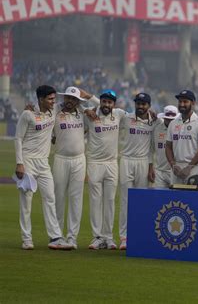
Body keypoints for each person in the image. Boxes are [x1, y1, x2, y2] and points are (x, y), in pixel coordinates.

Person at [14, 85, 72, 250]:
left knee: (50, 198)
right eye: (50, 99)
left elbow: (73, 104)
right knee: (27, 200)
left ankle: (55, 237)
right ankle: (27, 239)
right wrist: (19, 163)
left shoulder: (53, 111)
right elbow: (18, 138)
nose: (54, 101)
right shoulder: (28, 114)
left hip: (43, 162)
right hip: (28, 161)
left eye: (54, 98)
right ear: (40, 99)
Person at [52, 86, 99, 249]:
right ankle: (56, 236)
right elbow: (40, 110)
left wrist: (90, 97)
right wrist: (31, 108)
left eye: (74, 99)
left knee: (76, 200)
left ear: (78, 101)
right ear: (64, 98)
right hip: (60, 159)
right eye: (68, 98)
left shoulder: (84, 113)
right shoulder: (55, 111)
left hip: (79, 160)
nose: (70, 101)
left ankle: (72, 238)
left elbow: (104, 110)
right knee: (58, 198)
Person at [84, 89, 126, 250]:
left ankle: (108, 238)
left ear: (114, 104)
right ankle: (97, 237)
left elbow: (139, 116)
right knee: (95, 201)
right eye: (104, 101)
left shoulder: (119, 114)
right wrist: (86, 108)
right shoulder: (91, 115)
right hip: (95, 163)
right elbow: (73, 107)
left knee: (109, 202)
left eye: (110, 102)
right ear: (100, 102)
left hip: (112, 164)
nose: (106, 104)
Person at [118, 92, 157, 250]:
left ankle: (139, 233)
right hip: (126, 160)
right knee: (125, 200)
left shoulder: (154, 122)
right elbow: (107, 114)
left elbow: (152, 148)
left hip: (143, 162)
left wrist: (150, 166)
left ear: (149, 106)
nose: (140, 107)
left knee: (141, 200)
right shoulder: (126, 118)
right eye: (138, 104)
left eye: (143, 104)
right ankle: (124, 237)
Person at [165, 90, 198, 185]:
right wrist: (173, 164)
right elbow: (168, 146)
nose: (182, 104)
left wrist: (189, 167)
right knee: (175, 198)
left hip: (193, 167)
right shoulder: (173, 123)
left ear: (193, 103)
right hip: (176, 167)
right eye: (180, 101)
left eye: (185, 102)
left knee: (190, 198)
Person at [152, 105, 179, 188]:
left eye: (172, 119)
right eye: (167, 119)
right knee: (159, 198)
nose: (170, 121)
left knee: (175, 198)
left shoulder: (181, 129)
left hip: (175, 171)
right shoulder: (157, 129)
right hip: (159, 171)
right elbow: (152, 149)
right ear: (164, 118)